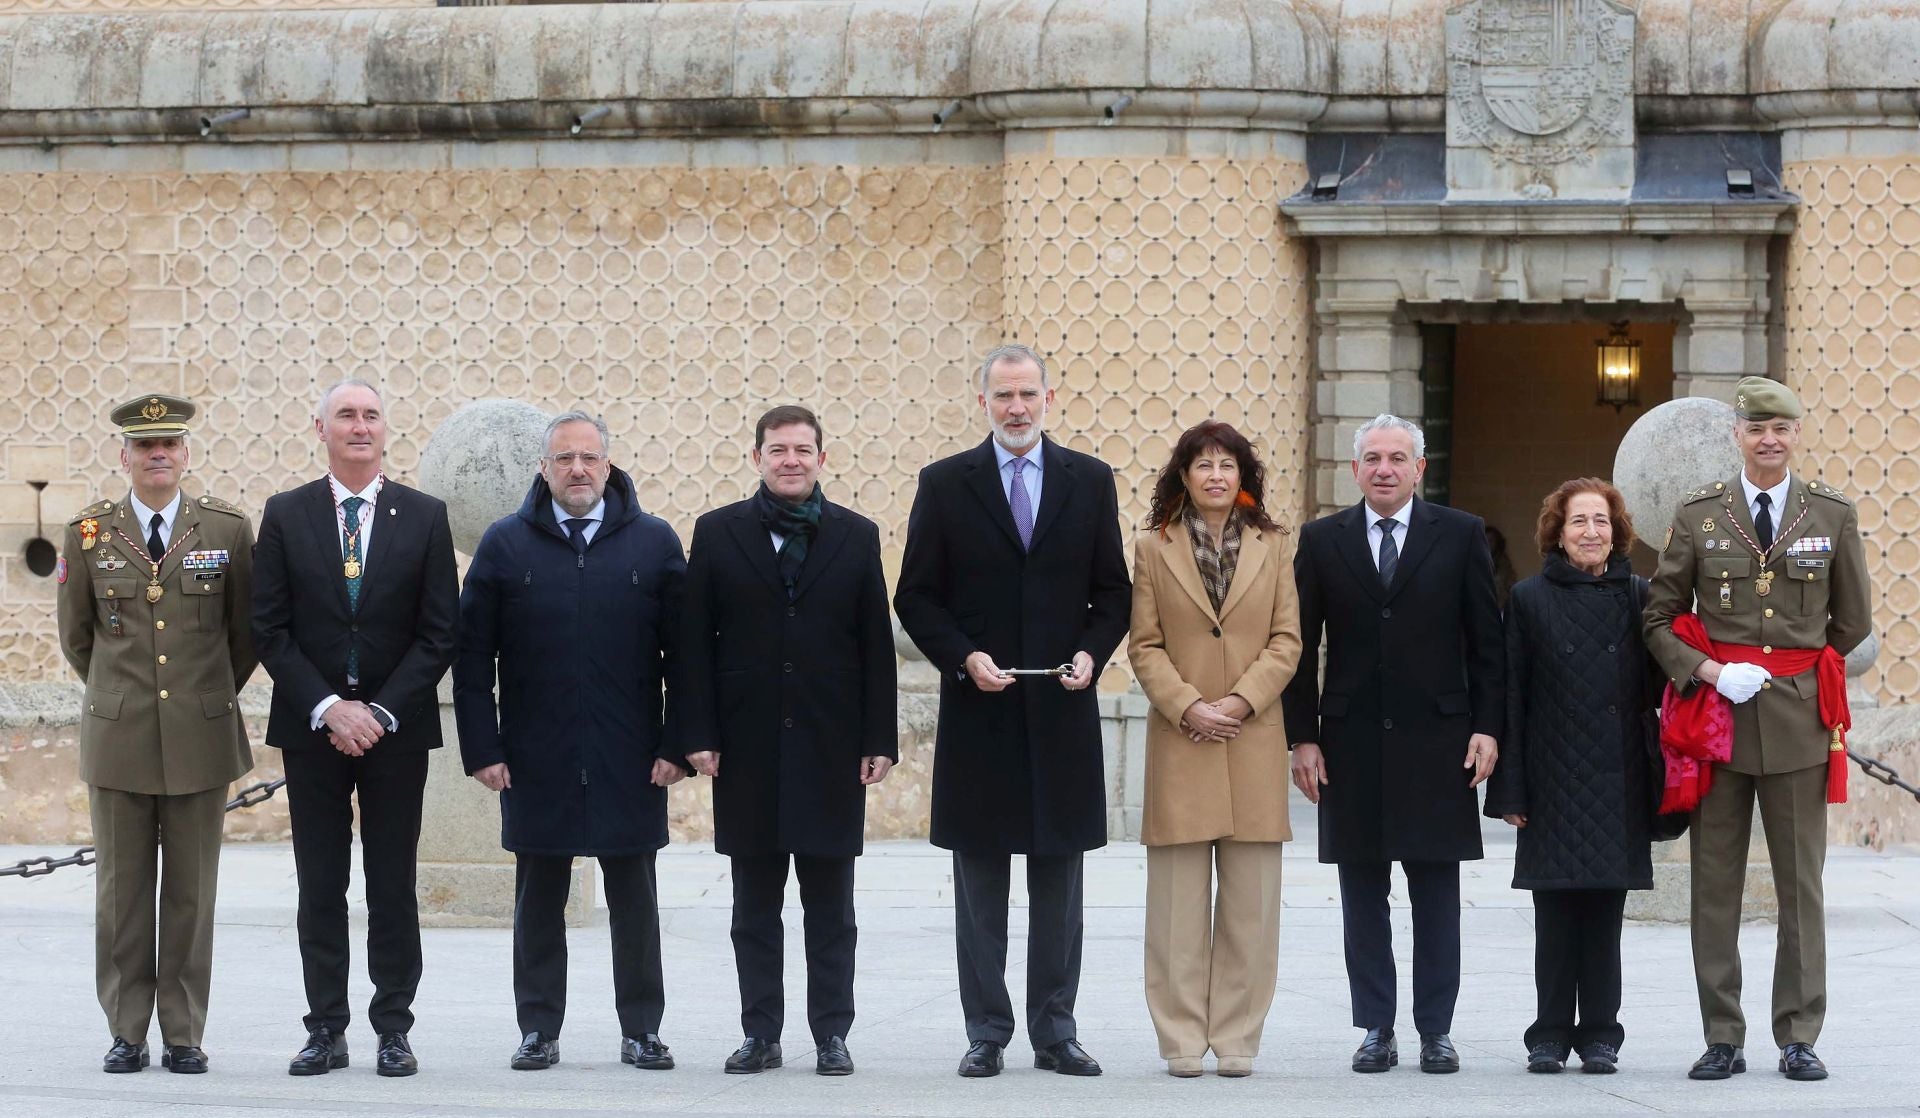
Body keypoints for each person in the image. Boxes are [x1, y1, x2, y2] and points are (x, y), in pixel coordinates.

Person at [895, 343, 1131, 1079]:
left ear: (1049, 399)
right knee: (980, 882)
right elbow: (917, 596)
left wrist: (1094, 653)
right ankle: (987, 1032)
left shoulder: (1089, 482)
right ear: (984, 404)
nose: (1017, 408)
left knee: (1060, 882)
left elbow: (1113, 592)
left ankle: (1056, 1030)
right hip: (981, 712)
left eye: (1028, 395)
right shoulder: (945, 484)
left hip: (1062, 712)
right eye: (1003, 397)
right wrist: (963, 657)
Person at [1644, 376, 1871, 1083]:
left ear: (1796, 434)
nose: (1768, 439)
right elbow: (1658, 615)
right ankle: (1722, 1035)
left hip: (1800, 723)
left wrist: (1798, 671)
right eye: (1755, 428)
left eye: (1780, 427)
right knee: (1716, 886)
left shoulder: (1831, 514)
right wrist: (1710, 672)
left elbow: (1852, 620)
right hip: (1721, 722)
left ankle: (1798, 1034)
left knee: (1801, 886)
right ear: (1736, 435)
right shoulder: (1701, 515)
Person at [452, 410, 687, 1074]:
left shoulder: (653, 543)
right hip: (536, 756)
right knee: (537, 897)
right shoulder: (505, 546)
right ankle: (538, 1028)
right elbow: (472, 662)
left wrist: (677, 743)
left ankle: (642, 1029)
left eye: (589, 458)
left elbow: (687, 657)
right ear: (544, 469)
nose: (577, 470)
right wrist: (484, 749)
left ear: (608, 466)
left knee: (636, 898)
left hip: (632, 755)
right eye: (564, 459)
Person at [1282, 413, 1503, 1075]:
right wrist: (1302, 738)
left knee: (1437, 895)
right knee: (1361, 895)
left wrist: (1488, 727)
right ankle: (1376, 1027)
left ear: (1419, 469)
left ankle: (1437, 1029)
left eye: (1397, 458)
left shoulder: (1461, 535)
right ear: (1355, 471)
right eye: (1372, 458)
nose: (1384, 469)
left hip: (1440, 744)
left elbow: (1486, 645)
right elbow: (1297, 650)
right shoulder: (1321, 541)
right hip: (1350, 745)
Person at [681, 405, 897, 1077]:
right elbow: (693, 645)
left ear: (822, 459)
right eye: (778, 449)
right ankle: (761, 1034)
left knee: (831, 908)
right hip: (745, 749)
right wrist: (698, 733)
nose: (791, 460)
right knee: (754, 907)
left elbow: (875, 646)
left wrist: (878, 738)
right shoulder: (718, 534)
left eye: (804, 449)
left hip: (832, 747)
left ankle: (830, 1033)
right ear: (757, 458)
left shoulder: (856, 537)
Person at [252, 379, 458, 1078]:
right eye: (347, 415)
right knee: (321, 882)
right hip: (311, 729)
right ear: (321, 429)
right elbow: (269, 629)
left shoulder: (425, 517)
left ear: (384, 430)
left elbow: (438, 634)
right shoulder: (285, 514)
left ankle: (393, 1027)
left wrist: (379, 710)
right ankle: (325, 1028)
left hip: (395, 731)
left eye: (371, 415)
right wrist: (327, 707)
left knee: (391, 882)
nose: (360, 426)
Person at [55, 395, 256, 1076]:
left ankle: (183, 1031)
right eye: (145, 446)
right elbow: (77, 639)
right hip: (118, 741)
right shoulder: (88, 533)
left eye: (169, 443)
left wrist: (200, 697)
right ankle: (127, 1029)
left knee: (192, 897)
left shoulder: (225, 531)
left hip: (200, 741)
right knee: (122, 895)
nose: (158, 454)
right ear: (126, 457)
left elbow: (244, 636)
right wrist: (123, 696)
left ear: (185, 453)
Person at [1126, 421, 1302, 1078]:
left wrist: (1238, 703)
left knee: (1250, 909)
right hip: (1182, 739)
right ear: (1184, 476)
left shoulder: (1275, 546)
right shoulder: (1152, 546)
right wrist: (1189, 706)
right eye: (1203, 464)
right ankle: (1178, 1040)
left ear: (1244, 477)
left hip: (1250, 737)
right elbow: (1143, 643)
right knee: (1175, 909)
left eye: (1227, 464)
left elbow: (1287, 640)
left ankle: (1236, 1039)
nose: (1216, 476)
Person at [1484, 479, 1661, 1075]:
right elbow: (1512, 698)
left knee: (1605, 917)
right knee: (1555, 915)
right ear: (1557, 533)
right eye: (1579, 521)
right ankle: (1549, 1034)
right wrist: (1509, 788)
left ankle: (1603, 1035)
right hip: (1551, 775)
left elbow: (1661, 690)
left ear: (1617, 531)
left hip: (1620, 776)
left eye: (1602, 521)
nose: (1591, 532)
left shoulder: (1641, 596)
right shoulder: (1530, 600)